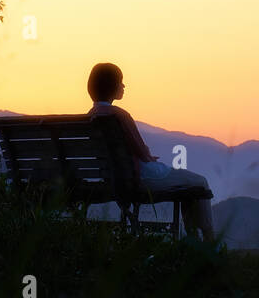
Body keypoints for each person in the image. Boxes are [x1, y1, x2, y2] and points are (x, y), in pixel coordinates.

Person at [86, 62, 216, 243]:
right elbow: (141, 150)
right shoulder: (118, 115)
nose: (124, 86)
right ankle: (209, 241)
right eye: (121, 81)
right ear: (111, 86)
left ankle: (194, 240)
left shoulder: (91, 116)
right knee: (200, 182)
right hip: (141, 178)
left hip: (115, 178)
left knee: (189, 186)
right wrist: (149, 158)